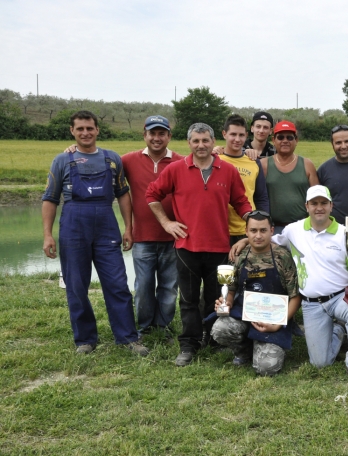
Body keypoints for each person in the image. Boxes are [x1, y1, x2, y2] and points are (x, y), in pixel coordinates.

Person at [232, 185, 348, 384]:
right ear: (306, 206)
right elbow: (264, 237)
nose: (319, 208)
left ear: (331, 206)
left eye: (323, 203)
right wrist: (245, 241)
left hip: (340, 297)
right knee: (319, 363)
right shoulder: (293, 230)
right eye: (314, 203)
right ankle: (338, 331)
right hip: (311, 304)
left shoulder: (345, 234)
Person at [42, 110, 148, 356]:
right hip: (72, 227)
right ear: (72, 131)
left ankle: (128, 338)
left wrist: (128, 228)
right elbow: (50, 199)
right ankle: (85, 340)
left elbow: (123, 194)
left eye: (89, 128)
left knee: (117, 284)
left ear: (97, 129)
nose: (85, 133)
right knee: (76, 286)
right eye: (80, 129)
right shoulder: (61, 161)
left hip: (106, 227)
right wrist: (48, 234)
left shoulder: (112, 159)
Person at [146, 122, 253, 366]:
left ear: (213, 141)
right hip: (187, 248)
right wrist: (166, 223)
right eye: (196, 141)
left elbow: (241, 201)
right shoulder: (175, 169)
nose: (201, 145)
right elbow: (152, 195)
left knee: (218, 296)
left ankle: (214, 339)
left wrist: (254, 221)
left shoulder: (227, 170)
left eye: (205, 140)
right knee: (189, 299)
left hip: (219, 248)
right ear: (189, 143)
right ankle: (189, 344)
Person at [210, 211, 300, 376]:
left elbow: (295, 296)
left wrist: (279, 324)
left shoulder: (283, 257)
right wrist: (227, 302)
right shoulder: (239, 256)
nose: (258, 235)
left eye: (263, 230)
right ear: (246, 232)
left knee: (267, 368)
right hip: (245, 313)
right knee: (220, 329)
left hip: (274, 319)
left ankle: (266, 347)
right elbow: (231, 288)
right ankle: (244, 350)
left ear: (272, 231)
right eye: (253, 230)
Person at [121, 116, 184, 340]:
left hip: (174, 237)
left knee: (169, 286)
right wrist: (72, 149)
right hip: (143, 237)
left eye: (161, 134)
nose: (157, 138)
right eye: (152, 133)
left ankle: (163, 326)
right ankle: (145, 326)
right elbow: (103, 163)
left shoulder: (182, 161)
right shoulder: (128, 160)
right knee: (144, 285)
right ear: (144, 135)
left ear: (169, 136)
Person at [259, 120, 319, 233]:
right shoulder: (264, 165)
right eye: (280, 137)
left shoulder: (307, 164)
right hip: (273, 228)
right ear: (273, 140)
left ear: (296, 140)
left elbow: (317, 197)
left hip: (302, 228)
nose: (285, 141)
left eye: (289, 138)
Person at [219, 114, 270, 245]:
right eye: (233, 134)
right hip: (220, 229)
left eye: (241, 135)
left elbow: (261, 197)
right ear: (224, 134)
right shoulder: (215, 159)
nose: (237, 139)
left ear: (246, 135)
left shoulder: (253, 161)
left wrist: (263, 222)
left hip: (247, 230)